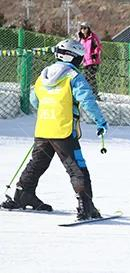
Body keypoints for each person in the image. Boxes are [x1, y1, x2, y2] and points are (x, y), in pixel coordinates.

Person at [0, 39, 108, 220]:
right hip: (63, 130)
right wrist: (100, 122)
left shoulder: (43, 75)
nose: (81, 62)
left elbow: (35, 100)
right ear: (73, 58)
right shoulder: (74, 77)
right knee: (77, 168)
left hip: (44, 128)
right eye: (80, 58)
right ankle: (85, 206)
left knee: (37, 163)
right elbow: (87, 101)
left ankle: (23, 194)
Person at [78, 22, 102, 100]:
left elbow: (98, 46)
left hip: (93, 61)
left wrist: (95, 53)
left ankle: (94, 94)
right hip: (85, 62)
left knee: (90, 77)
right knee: (86, 78)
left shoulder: (93, 37)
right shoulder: (81, 39)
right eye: (82, 28)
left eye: (85, 28)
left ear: (88, 29)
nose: (83, 30)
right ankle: (89, 93)